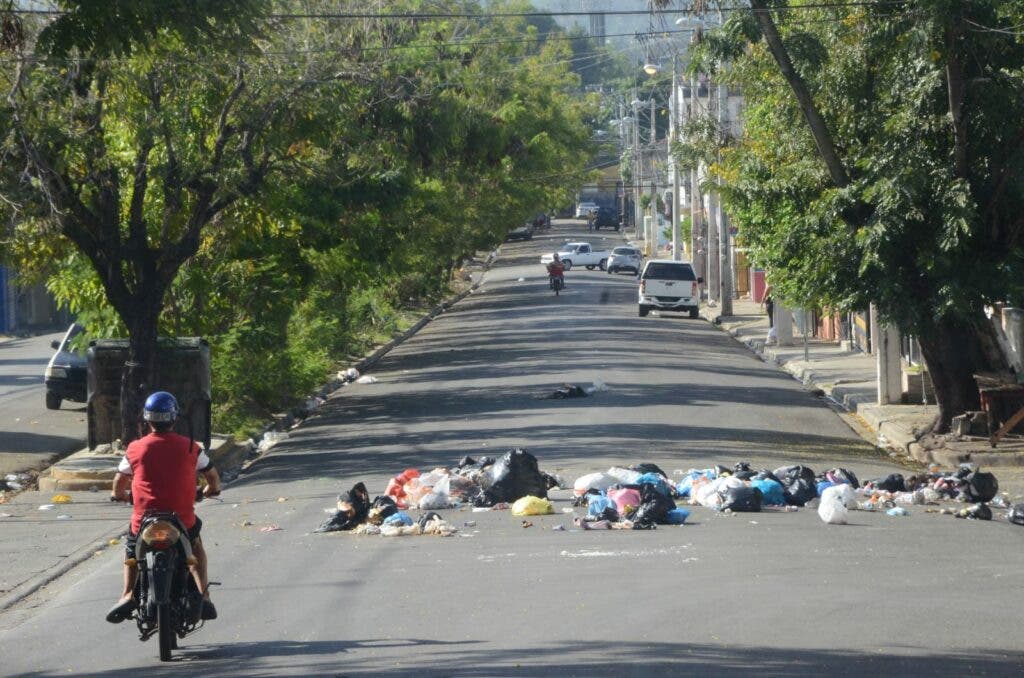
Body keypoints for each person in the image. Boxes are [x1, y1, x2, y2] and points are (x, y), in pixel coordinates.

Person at [106, 391, 222, 623]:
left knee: (131, 550)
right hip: (182, 520)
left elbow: (119, 482)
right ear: (174, 418)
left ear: (147, 420)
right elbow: (212, 475)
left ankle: (128, 594)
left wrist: (118, 495)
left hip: (144, 520)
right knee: (196, 547)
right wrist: (212, 490)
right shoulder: (190, 447)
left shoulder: (136, 448)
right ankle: (204, 595)